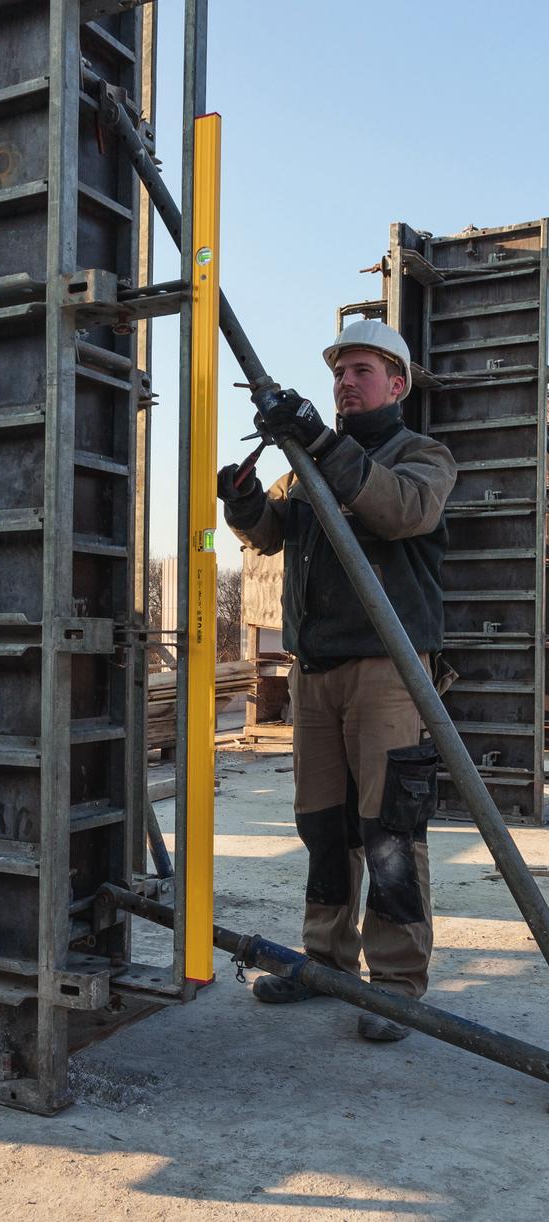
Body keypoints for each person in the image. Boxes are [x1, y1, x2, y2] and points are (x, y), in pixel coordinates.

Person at [217, 319, 457, 1041]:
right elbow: (271, 531)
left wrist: (322, 443)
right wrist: (245, 501)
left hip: (389, 669)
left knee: (389, 833)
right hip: (317, 673)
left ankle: (397, 984)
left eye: (360, 371)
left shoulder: (423, 455)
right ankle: (326, 962)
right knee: (324, 828)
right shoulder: (307, 466)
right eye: (339, 374)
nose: (345, 384)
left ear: (396, 382)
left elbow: (400, 509)